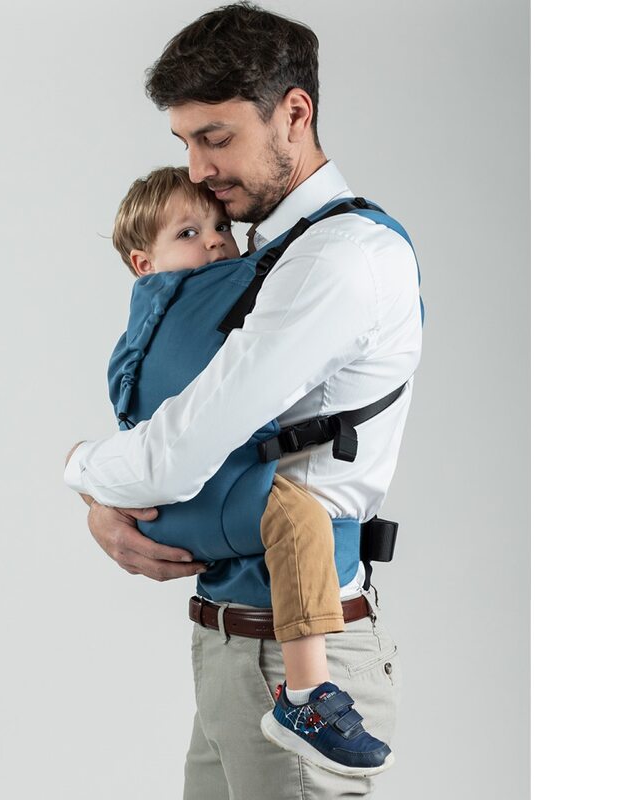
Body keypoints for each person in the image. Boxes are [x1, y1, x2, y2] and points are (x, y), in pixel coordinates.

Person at [64, 3, 422, 797]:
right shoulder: (257, 252)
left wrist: (83, 471)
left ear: (294, 114)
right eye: (186, 143)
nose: (197, 169)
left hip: (296, 662)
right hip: (228, 644)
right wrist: (108, 501)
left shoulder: (337, 260)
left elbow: (179, 451)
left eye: (216, 137)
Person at [97, 163, 394, 775]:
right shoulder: (219, 296)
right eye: (189, 233)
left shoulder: (149, 323)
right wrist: (92, 484)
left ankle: (306, 690)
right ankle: (307, 698)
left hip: (223, 592)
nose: (214, 243)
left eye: (219, 229)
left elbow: (141, 418)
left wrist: (95, 480)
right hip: (226, 598)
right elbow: (193, 430)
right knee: (299, 518)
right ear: (142, 263)